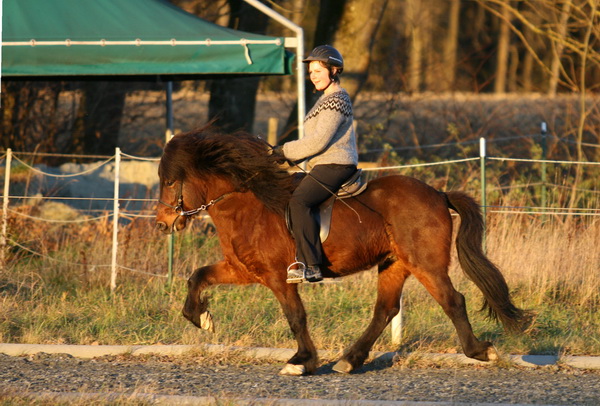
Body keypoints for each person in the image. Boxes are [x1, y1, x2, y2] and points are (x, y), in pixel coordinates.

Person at [273, 45, 359, 284]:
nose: (313, 75)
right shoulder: (325, 99)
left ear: (334, 70)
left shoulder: (336, 99)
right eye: (311, 71)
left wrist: (284, 152)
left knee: (299, 201)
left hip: (335, 164)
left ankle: (311, 266)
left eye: (318, 70)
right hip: (324, 164)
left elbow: (319, 141)